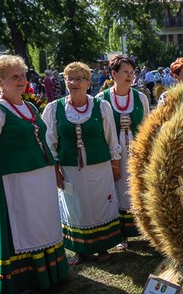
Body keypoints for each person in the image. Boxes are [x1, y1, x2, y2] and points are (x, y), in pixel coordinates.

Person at [0, 55, 68, 294]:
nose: (21, 81)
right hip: (14, 183)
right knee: (23, 229)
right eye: (14, 77)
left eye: (23, 75)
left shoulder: (28, 107)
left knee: (43, 223)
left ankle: (52, 274)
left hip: (39, 178)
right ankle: (24, 282)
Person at [42, 62, 122, 264]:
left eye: (79, 79)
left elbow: (111, 138)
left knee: (101, 203)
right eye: (70, 78)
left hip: (99, 166)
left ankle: (103, 247)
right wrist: (56, 171)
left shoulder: (101, 106)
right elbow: (49, 142)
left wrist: (115, 164)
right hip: (70, 168)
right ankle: (80, 249)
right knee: (76, 207)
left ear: (88, 83)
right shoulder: (54, 109)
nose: (74, 82)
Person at [95, 54, 150, 246]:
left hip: (136, 151)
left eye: (132, 72)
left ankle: (142, 229)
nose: (129, 76)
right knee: (116, 189)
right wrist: (112, 158)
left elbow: (147, 124)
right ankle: (121, 235)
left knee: (136, 187)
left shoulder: (140, 97)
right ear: (113, 74)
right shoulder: (101, 100)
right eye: (125, 72)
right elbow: (99, 130)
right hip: (113, 154)